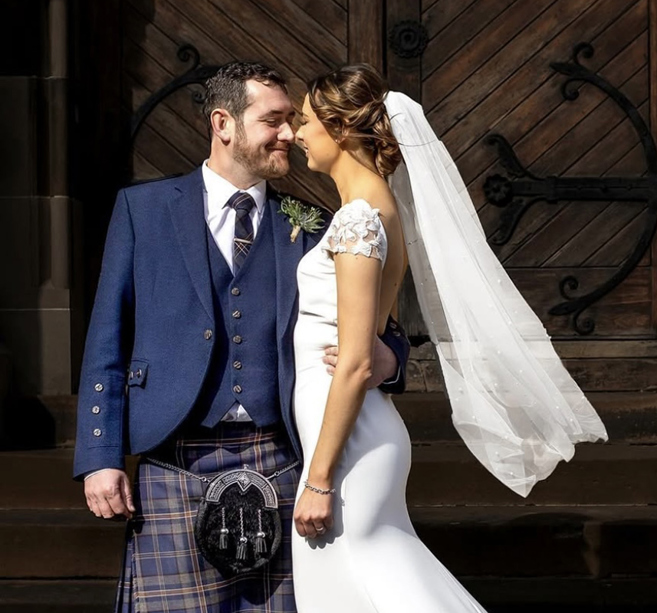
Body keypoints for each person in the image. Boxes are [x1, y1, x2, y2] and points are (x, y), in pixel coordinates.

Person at [72, 61, 409, 613]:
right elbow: (107, 337)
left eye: (291, 121)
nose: (290, 135)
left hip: (280, 458)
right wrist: (99, 454)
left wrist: (387, 359)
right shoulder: (144, 210)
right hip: (173, 456)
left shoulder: (317, 223)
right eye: (273, 120)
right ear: (223, 123)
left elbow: (381, 333)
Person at [289, 64, 607, 612]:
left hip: (348, 446)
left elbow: (357, 361)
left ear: (340, 129)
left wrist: (319, 478)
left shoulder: (358, 219)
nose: (297, 134)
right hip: (351, 436)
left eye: (305, 120)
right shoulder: (375, 210)